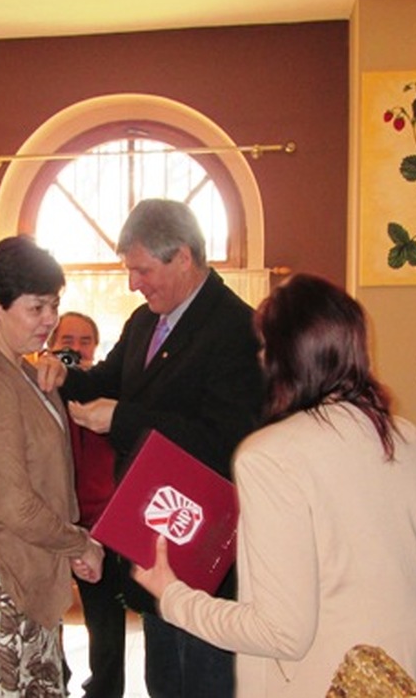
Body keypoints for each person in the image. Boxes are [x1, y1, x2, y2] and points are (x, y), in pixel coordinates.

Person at [132, 274, 416, 696]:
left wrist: (174, 597)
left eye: (265, 348)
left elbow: (280, 632)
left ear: (285, 358)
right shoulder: (407, 436)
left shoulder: (270, 456)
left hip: (350, 683)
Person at [42, 198, 264, 697]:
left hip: (205, 550)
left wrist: (123, 419)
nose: (132, 284)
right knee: (163, 680)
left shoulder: (236, 328)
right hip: (153, 541)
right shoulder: (145, 321)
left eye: (142, 270)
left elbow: (229, 442)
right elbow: (106, 380)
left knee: (203, 681)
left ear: (183, 256)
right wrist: (62, 374)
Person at [0, 235, 104, 697]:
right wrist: (81, 544)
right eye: (36, 308)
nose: (50, 319)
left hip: (22, 569)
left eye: (54, 305)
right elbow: (17, 506)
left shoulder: (21, 370)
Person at [49, 312, 126, 698]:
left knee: (105, 621)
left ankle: (105, 690)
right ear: (52, 345)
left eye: (85, 341)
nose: (76, 349)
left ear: (96, 347)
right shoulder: (41, 390)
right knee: (48, 615)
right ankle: (54, 681)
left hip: (103, 523)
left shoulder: (111, 395)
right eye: (67, 341)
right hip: (52, 523)